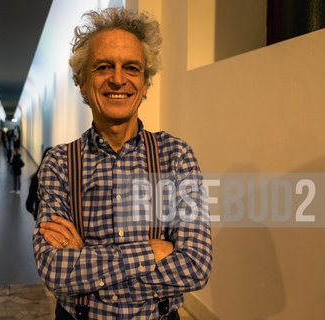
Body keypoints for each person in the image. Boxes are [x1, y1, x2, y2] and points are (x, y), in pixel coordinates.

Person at [33, 8, 212, 320]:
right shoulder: (59, 163)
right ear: (82, 82)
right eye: (103, 67)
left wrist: (85, 263)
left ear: (144, 84)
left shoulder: (176, 157)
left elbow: (195, 266)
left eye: (131, 68)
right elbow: (55, 272)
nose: (118, 79)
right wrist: (151, 252)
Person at [26, 147, 52, 220]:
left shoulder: (36, 179)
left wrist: (36, 214)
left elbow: (29, 204)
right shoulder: (63, 181)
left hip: (41, 221)